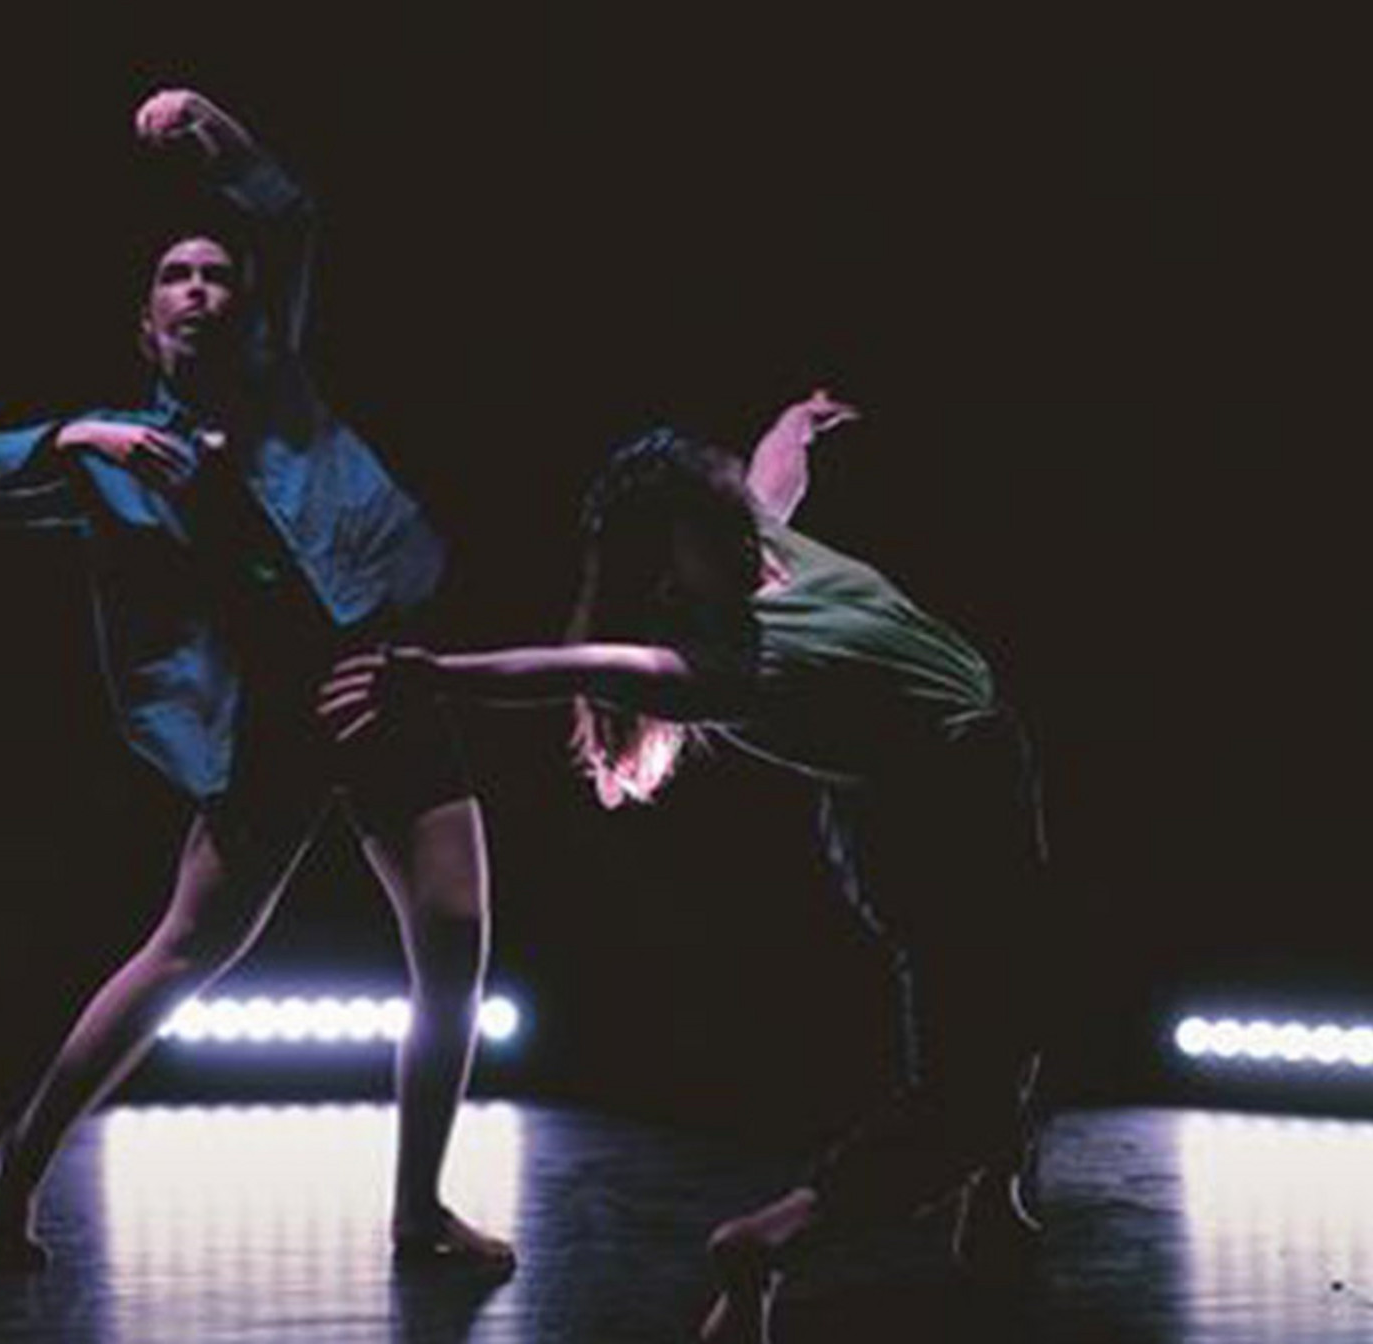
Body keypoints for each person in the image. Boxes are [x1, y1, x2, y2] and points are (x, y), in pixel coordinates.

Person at [318, 394, 1047, 1341]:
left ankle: (989, 1189)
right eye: (716, 532)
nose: (744, 537)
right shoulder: (710, 665)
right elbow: (566, 666)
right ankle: (771, 1240)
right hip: (937, 829)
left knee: (1019, 1006)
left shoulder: (757, 539)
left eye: (734, 516)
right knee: (965, 1081)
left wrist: (796, 423)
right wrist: (439, 675)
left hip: (987, 777)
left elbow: (774, 480)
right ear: (669, 565)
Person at [0, 89, 511, 1276]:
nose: (197, 286)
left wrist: (217, 130)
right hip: (255, 729)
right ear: (145, 323)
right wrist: (69, 440)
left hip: (375, 676)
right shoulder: (115, 451)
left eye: (214, 273)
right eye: (172, 277)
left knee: (455, 936)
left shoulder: (280, 393)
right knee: (185, 953)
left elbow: (291, 215)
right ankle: (22, 1162)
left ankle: (417, 1207)